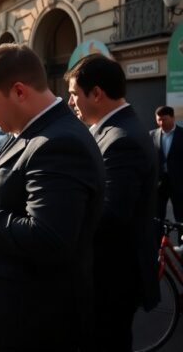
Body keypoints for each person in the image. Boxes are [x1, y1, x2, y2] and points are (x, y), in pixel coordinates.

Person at [0, 44, 105, 351]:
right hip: (13, 315)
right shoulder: (31, 131)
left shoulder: (59, 142)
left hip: (33, 325)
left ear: (20, 91)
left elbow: (49, 238)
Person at [65, 54, 160, 351]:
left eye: (74, 94)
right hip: (110, 275)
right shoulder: (116, 130)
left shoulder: (121, 139)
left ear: (96, 93)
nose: (70, 102)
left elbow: (109, 216)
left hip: (111, 278)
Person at [151, 105, 183, 246]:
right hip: (160, 184)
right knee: (157, 217)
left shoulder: (181, 135)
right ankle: (158, 248)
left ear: (173, 118)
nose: (161, 123)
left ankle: (182, 246)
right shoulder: (152, 135)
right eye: (158, 120)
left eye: (164, 119)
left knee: (181, 217)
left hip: (179, 183)